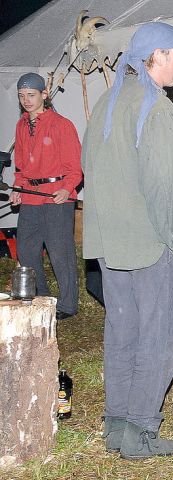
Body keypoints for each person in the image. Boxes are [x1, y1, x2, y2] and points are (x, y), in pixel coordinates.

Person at [82, 22, 173, 460]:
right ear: (156, 56)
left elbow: (88, 168)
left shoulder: (108, 103)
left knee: (122, 332)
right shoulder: (157, 108)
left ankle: (117, 426)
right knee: (161, 336)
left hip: (111, 245)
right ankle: (141, 432)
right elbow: (165, 186)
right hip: (150, 245)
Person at [11, 72, 82, 320]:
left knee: (59, 252)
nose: (26, 100)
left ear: (44, 94)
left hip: (56, 196)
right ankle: (41, 298)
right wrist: (17, 188)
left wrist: (67, 188)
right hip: (30, 196)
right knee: (27, 251)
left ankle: (67, 305)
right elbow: (21, 166)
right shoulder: (21, 125)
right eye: (21, 96)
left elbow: (75, 167)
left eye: (31, 95)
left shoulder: (62, 125)